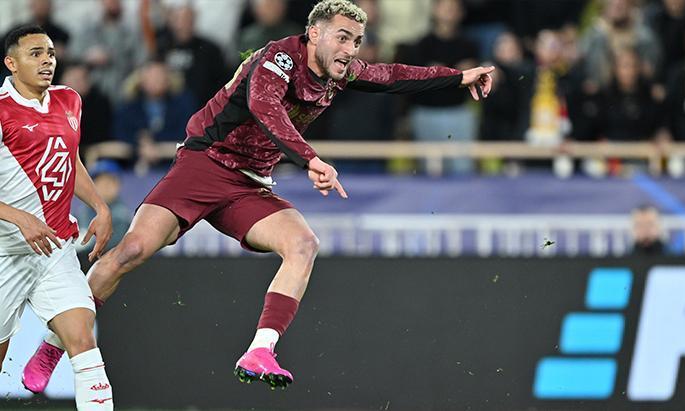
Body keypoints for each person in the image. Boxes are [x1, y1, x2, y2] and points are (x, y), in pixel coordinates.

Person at [24, 0, 494, 390]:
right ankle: (52, 346)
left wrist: (458, 78)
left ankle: (260, 350)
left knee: (303, 244)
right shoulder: (277, 57)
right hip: (204, 163)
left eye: (356, 40)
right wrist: (310, 159)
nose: (350, 49)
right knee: (131, 252)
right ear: (314, 33)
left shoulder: (340, 70)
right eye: (342, 37)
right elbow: (264, 108)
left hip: (249, 182)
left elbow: (392, 76)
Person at [0, 26, 114, 409]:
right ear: (11, 63)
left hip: (54, 247)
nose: (47, 60)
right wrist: (19, 217)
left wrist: (99, 205)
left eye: (50, 52)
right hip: (5, 252)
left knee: (83, 342)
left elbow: (69, 159)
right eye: (35, 53)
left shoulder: (69, 100)